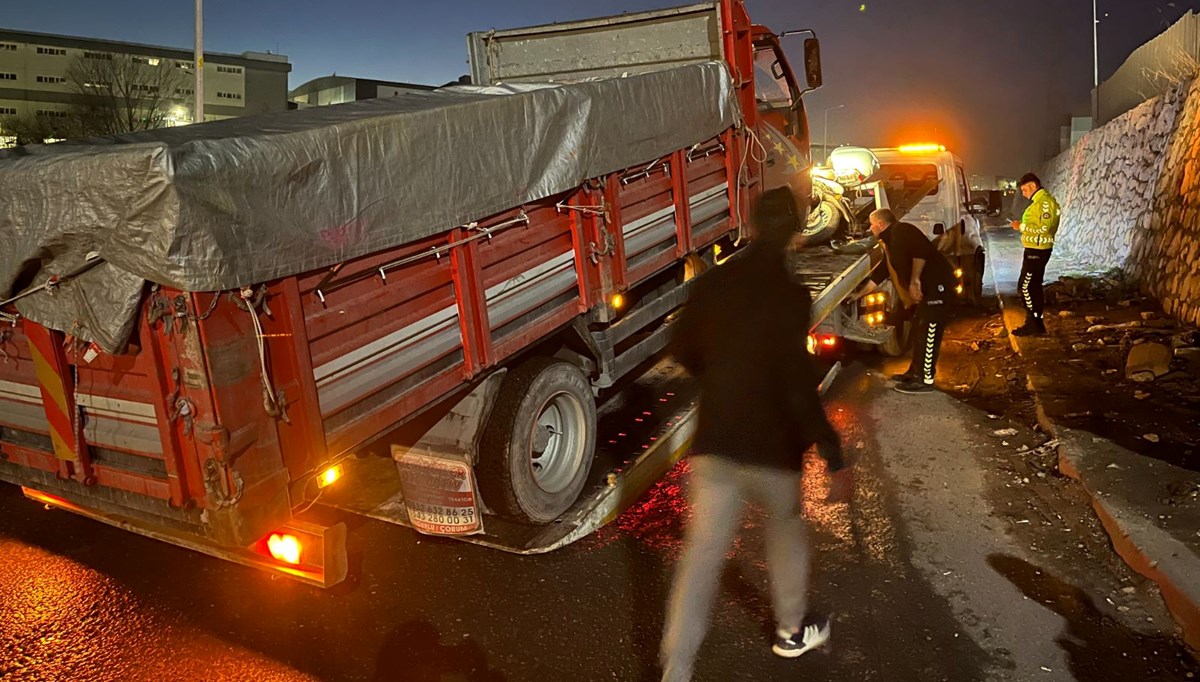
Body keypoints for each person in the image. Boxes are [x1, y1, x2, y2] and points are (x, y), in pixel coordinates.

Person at [661, 187, 852, 682]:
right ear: (793, 231)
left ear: (751, 225)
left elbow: (680, 346)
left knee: (700, 558)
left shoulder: (713, 285)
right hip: (772, 449)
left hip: (717, 442)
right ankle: (791, 631)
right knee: (786, 530)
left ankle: (676, 670)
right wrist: (829, 448)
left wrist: (721, 378)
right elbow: (795, 380)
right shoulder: (790, 296)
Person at [857, 208, 958, 394]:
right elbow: (883, 272)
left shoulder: (902, 230)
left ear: (880, 224)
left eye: (871, 224)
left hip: (937, 286)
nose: (870, 228)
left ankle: (925, 380)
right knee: (919, 330)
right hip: (928, 291)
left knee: (929, 331)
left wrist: (915, 281)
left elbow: (921, 252)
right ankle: (915, 372)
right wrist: (859, 293)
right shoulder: (890, 242)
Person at [1009, 173, 1060, 336]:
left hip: (1037, 251)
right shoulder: (1040, 202)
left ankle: (1033, 323)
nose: (1023, 194)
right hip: (1034, 249)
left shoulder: (1044, 204)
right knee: (1033, 286)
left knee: (1025, 287)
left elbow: (1044, 228)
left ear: (1032, 186)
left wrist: (1021, 227)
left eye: (1024, 190)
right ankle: (1036, 323)